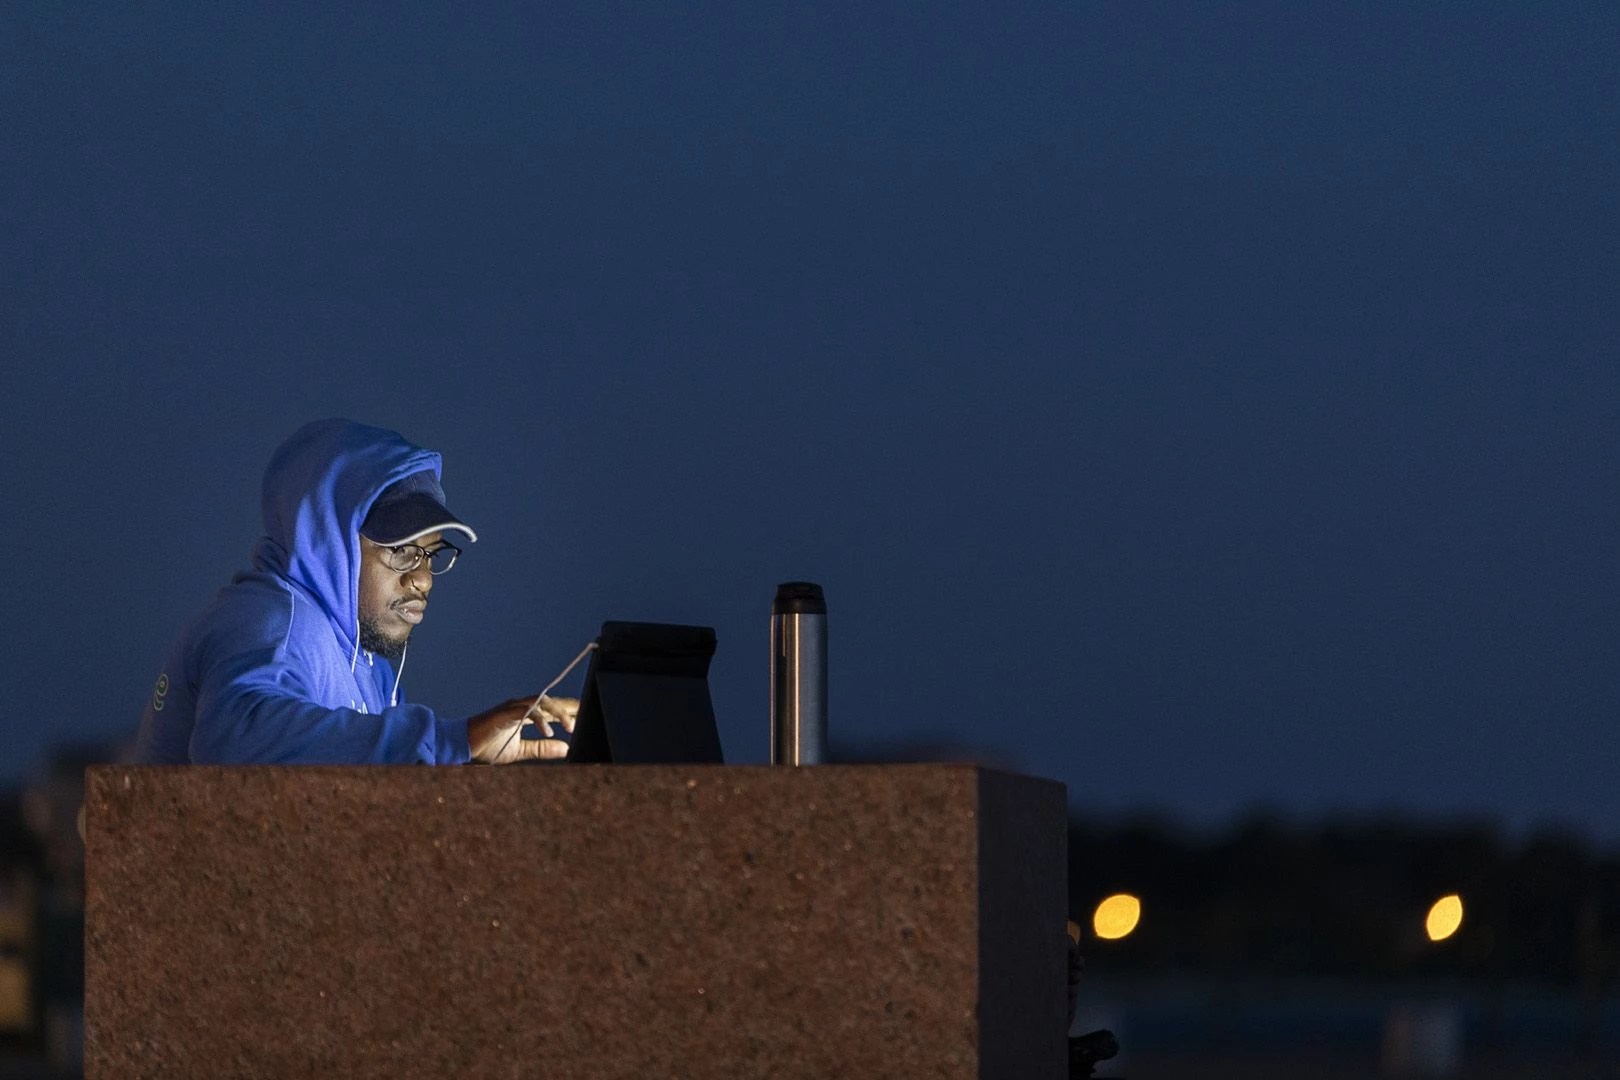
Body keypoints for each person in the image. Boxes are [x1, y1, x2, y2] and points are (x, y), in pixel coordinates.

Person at [131, 418, 573, 765]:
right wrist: (452, 740)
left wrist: (466, 757)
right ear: (327, 542)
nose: (423, 579)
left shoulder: (368, 663)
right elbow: (239, 737)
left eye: (431, 554)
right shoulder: (272, 619)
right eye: (401, 551)